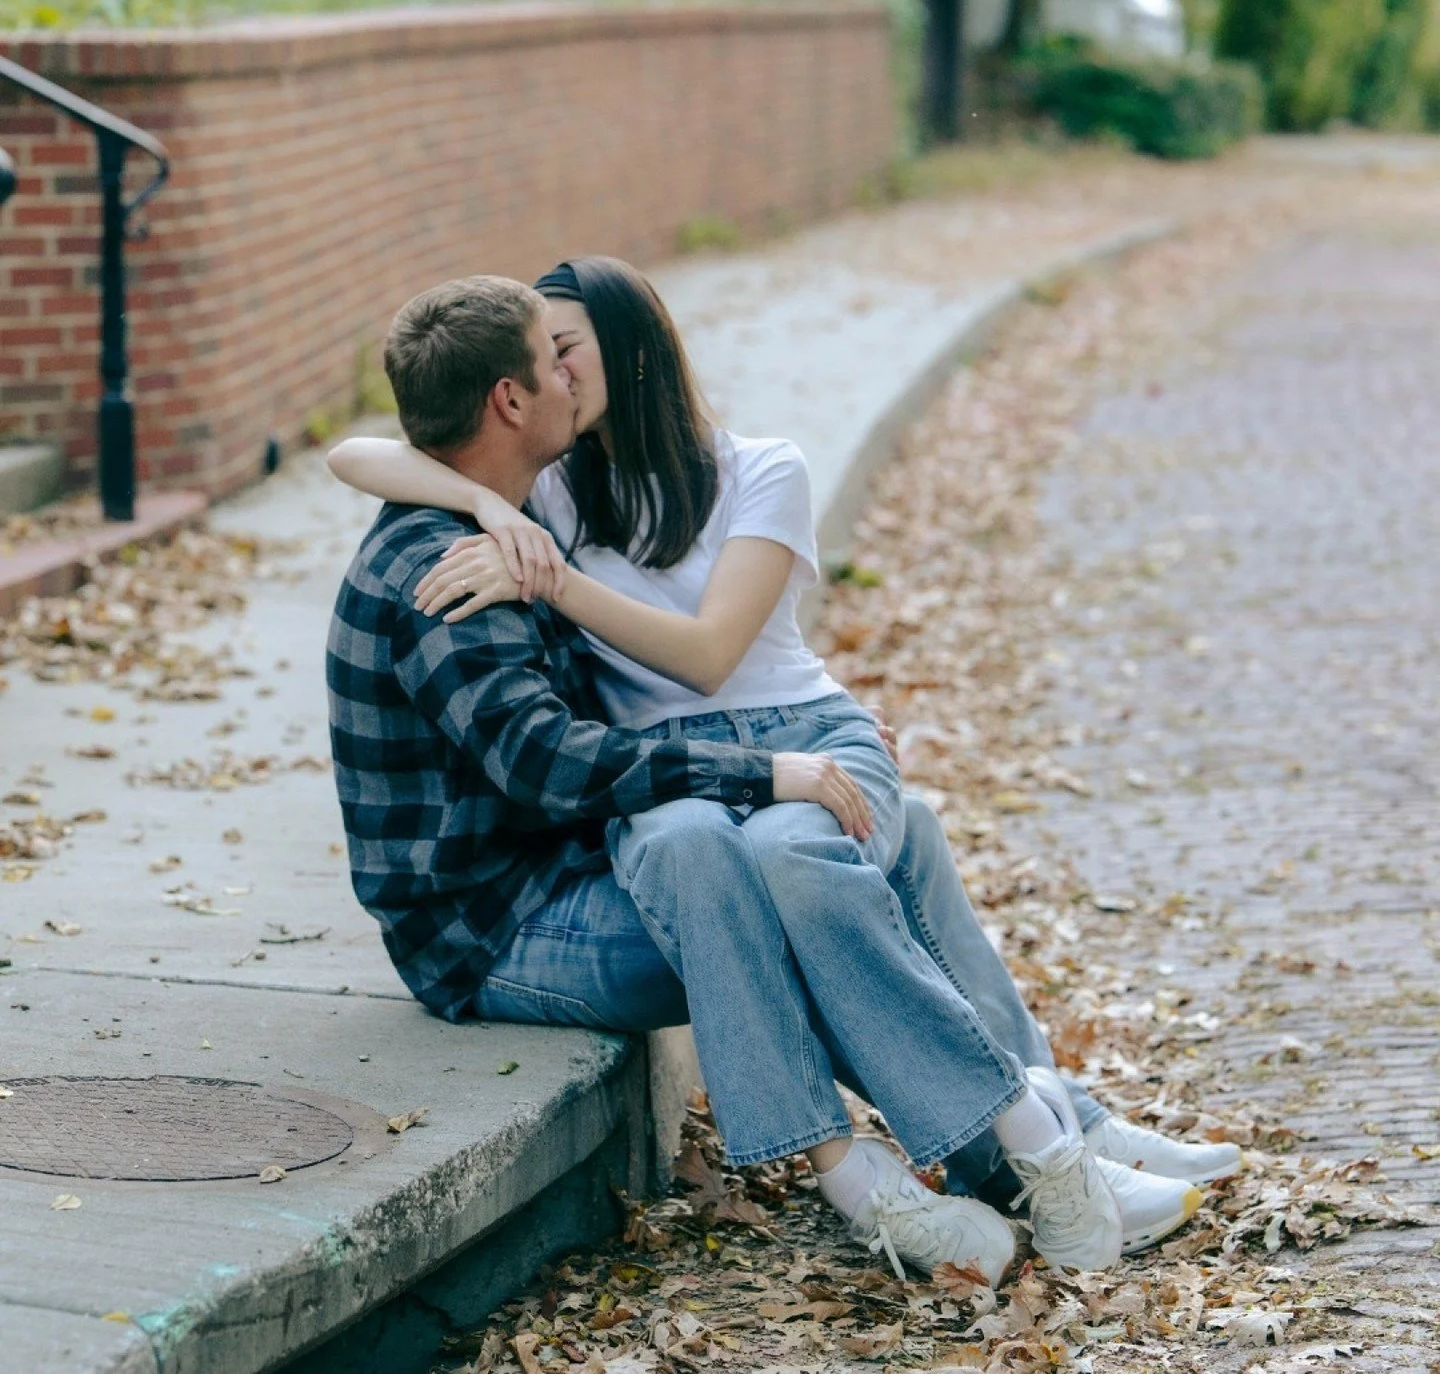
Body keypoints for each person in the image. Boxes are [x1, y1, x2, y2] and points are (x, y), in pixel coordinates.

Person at [327, 268, 1238, 1289]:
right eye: (552, 361)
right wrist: (765, 770)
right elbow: (550, 764)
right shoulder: (462, 570)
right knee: (773, 879)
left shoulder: (530, 511)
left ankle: (1045, 1135)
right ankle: (959, 1156)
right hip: (491, 926)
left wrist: (793, 753)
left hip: (567, 863)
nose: (566, 380)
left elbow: (704, 661)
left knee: (874, 842)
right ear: (512, 399)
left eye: (571, 352)